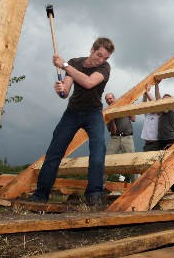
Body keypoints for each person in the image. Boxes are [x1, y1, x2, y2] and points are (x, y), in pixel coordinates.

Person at [30, 37, 114, 206]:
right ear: (92, 49)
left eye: (105, 57)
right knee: (54, 151)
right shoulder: (75, 62)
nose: (101, 60)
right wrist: (60, 89)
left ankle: (94, 195)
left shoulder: (104, 68)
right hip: (72, 113)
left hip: (94, 114)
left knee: (98, 151)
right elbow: (66, 91)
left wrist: (65, 66)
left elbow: (89, 83)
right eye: (99, 55)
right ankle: (40, 195)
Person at [141, 83, 174, 196]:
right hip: (162, 142)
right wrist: (156, 86)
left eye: (166, 100)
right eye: (163, 100)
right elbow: (158, 100)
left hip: (171, 141)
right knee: (164, 168)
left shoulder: (170, 110)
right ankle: (173, 190)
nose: (163, 101)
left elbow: (158, 103)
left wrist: (147, 92)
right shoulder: (161, 111)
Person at [104, 92, 138, 183]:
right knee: (106, 161)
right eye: (107, 99)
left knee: (132, 161)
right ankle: (100, 186)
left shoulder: (124, 105)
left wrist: (130, 106)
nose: (109, 100)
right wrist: (112, 118)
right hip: (114, 138)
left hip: (127, 137)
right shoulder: (107, 112)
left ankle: (136, 185)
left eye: (110, 98)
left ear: (114, 98)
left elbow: (133, 119)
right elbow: (113, 130)